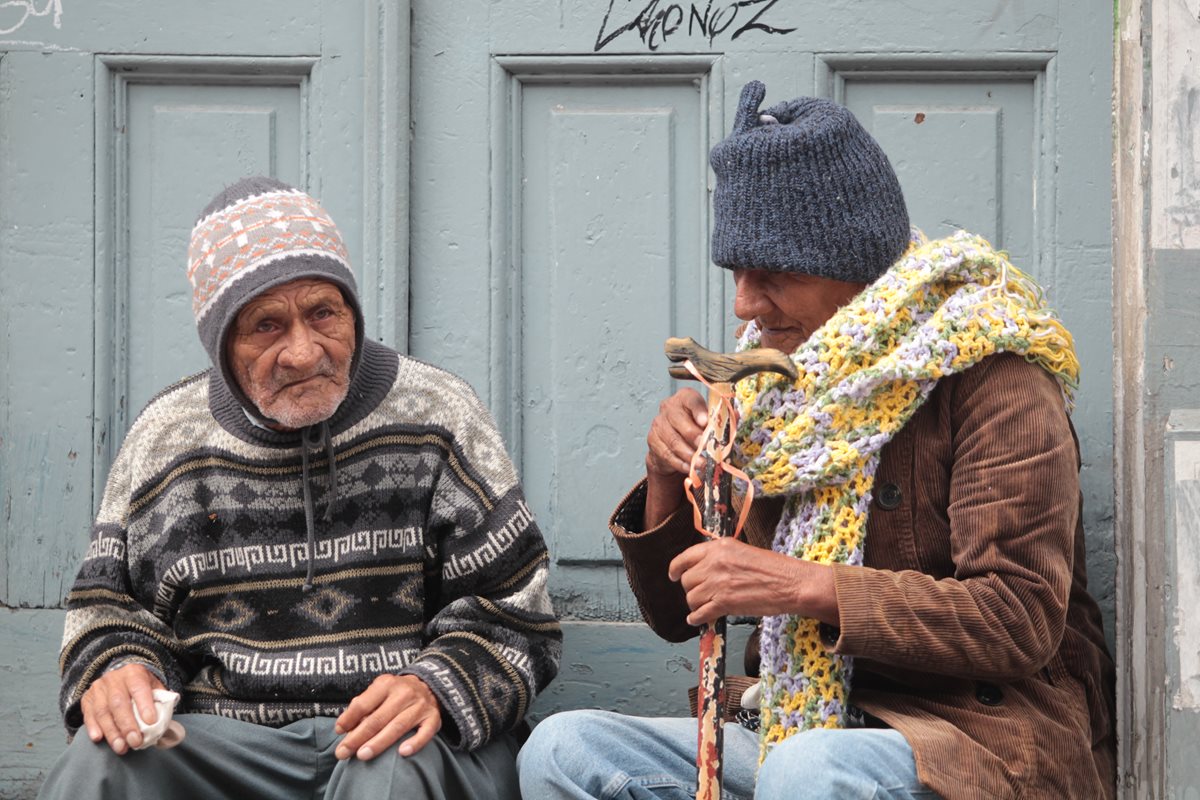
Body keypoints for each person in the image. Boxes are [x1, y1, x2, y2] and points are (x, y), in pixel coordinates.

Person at [517, 81, 1115, 799]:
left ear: (855, 270)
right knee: (564, 750)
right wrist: (667, 478)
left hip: (972, 743)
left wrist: (807, 587)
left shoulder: (996, 376)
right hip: (792, 722)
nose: (743, 304)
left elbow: (1018, 620)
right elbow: (679, 617)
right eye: (737, 273)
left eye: (772, 276)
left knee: (809, 771)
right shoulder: (771, 385)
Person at [38, 176, 561, 800]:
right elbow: (110, 611)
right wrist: (118, 669)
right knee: (100, 766)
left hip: (406, 742)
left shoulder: (438, 413)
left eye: (323, 313)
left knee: (390, 770)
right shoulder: (166, 440)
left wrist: (435, 685)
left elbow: (517, 618)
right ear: (221, 341)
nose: (302, 351)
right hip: (230, 748)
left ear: (352, 312)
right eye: (265, 325)